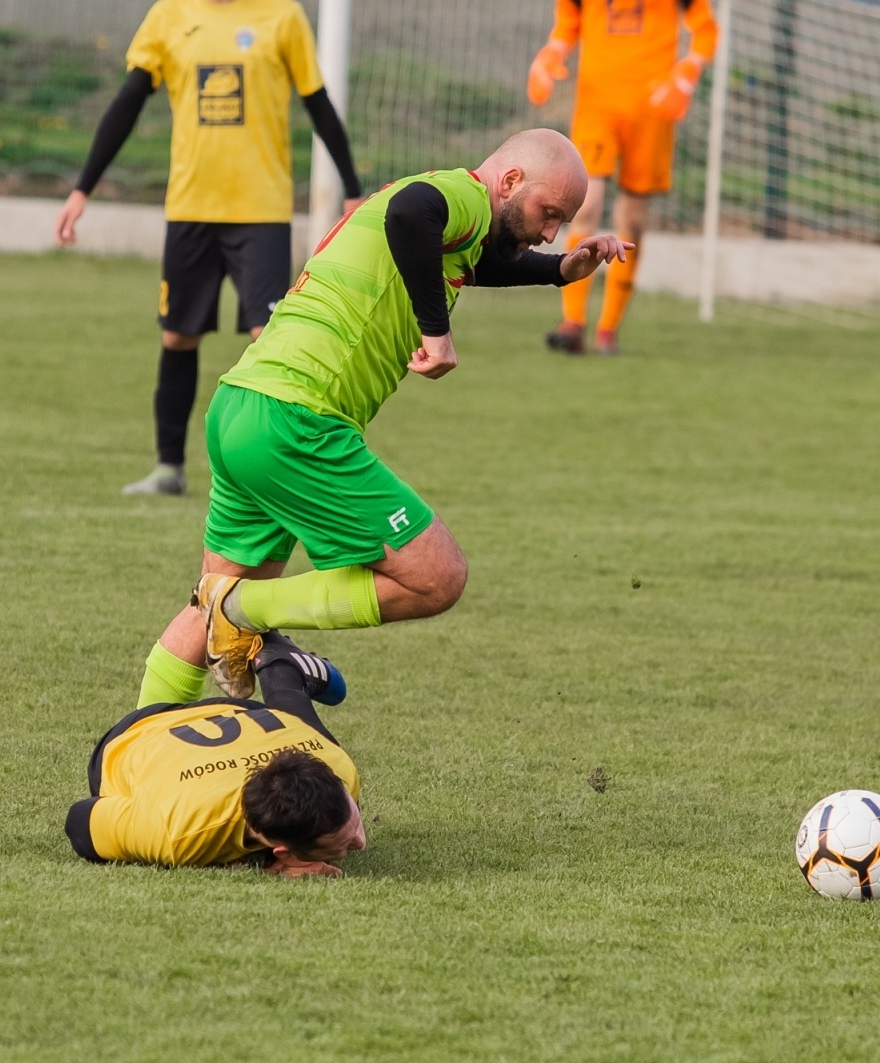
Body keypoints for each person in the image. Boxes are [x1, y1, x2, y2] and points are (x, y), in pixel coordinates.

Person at [134, 128, 632, 703]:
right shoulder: (458, 196)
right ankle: (241, 612)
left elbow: (467, 261)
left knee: (206, 606)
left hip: (240, 407)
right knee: (437, 577)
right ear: (511, 180)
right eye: (550, 213)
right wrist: (436, 332)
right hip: (299, 419)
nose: (551, 230)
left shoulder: (455, 222)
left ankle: (135, 753)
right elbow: (409, 215)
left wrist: (556, 270)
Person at [54, 0, 363, 497]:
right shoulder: (169, 15)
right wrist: (81, 188)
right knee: (177, 336)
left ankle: (277, 473)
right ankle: (168, 468)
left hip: (260, 211)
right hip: (190, 208)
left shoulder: (281, 15)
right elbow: (128, 102)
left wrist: (351, 187)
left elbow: (318, 103)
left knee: (270, 341)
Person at [66, 631, 364, 877]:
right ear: (281, 850)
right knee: (306, 734)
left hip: (244, 715)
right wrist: (216, 857)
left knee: (308, 734)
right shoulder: (178, 832)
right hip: (140, 733)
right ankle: (280, 668)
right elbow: (79, 820)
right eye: (342, 846)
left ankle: (281, 667)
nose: (360, 842)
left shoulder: (338, 769)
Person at [526, 0, 718, 354]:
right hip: (596, 104)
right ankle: (573, 321)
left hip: (652, 107)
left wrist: (689, 69)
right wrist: (552, 52)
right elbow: (569, 21)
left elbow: (705, 28)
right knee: (585, 204)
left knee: (632, 218)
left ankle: (608, 329)